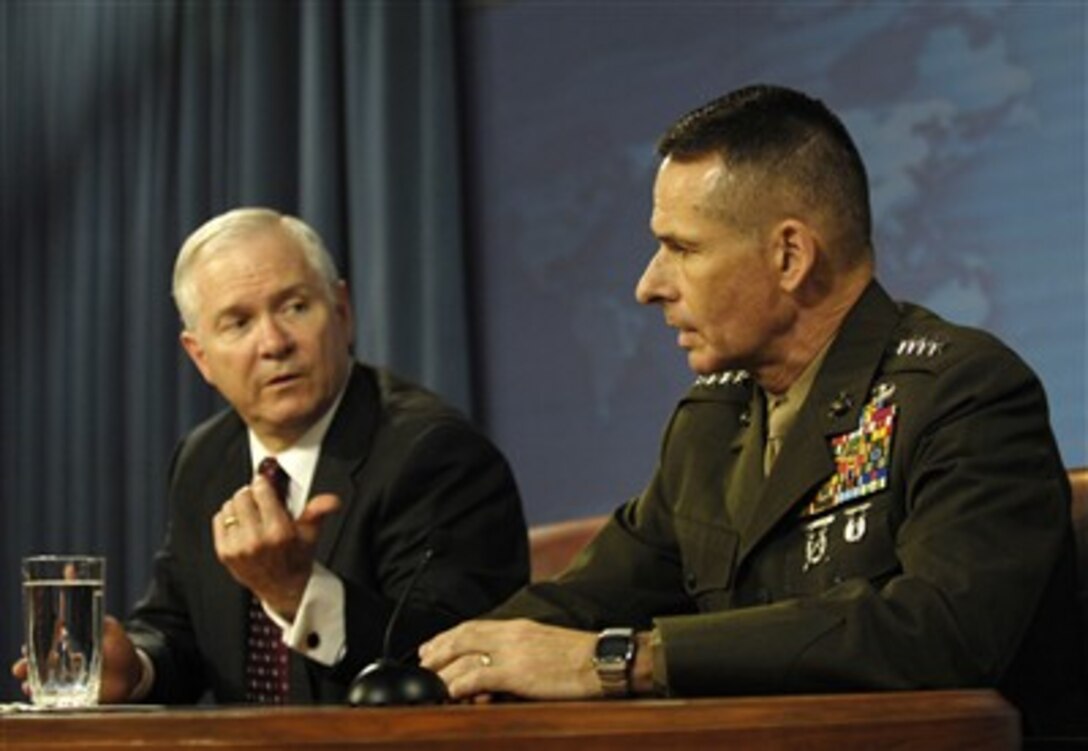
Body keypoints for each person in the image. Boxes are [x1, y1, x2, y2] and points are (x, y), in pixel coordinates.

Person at [419, 84, 1086, 734]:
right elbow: (584, 601)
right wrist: (436, 670)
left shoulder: (964, 392)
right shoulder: (712, 420)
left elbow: (937, 634)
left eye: (682, 248)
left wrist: (623, 661)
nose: (648, 285)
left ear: (790, 255)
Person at [13, 207, 529, 704]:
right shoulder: (205, 458)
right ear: (200, 356)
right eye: (237, 323)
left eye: (294, 307)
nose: (274, 342)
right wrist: (136, 669)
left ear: (343, 312)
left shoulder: (433, 454)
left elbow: (454, 662)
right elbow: (179, 630)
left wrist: (297, 593)